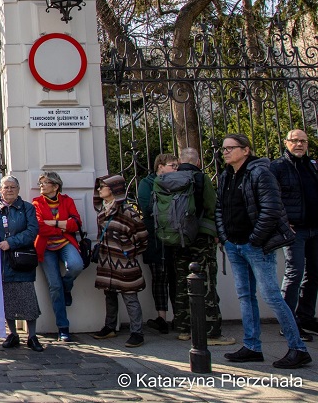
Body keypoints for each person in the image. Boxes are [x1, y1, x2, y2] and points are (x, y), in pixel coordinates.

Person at [216, 133, 311, 369]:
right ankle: (252, 346)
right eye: (223, 149)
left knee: (271, 296)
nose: (225, 152)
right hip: (234, 244)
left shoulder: (260, 173)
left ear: (245, 150)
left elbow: (271, 209)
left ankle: (298, 348)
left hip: (255, 245)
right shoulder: (226, 175)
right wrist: (225, 237)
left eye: (230, 148)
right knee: (245, 296)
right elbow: (219, 208)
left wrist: (255, 239)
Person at [174, 148, 234, 345]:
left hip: (177, 238)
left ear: (179, 161)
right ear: (198, 162)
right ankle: (211, 332)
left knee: (182, 282)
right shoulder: (201, 178)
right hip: (200, 236)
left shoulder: (169, 179)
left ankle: (184, 329)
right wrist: (216, 232)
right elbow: (211, 205)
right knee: (205, 282)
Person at [91, 175, 148, 347]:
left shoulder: (128, 212)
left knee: (130, 297)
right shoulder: (102, 213)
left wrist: (128, 252)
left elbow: (142, 236)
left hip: (124, 262)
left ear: (114, 189)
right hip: (107, 262)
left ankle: (137, 332)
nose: (99, 189)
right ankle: (110, 326)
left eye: (103, 186)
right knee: (109, 294)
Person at [271, 129, 318, 339]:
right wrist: (282, 222)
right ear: (286, 142)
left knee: (314, 273)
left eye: (303, 141)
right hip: (294, 230)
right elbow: (271, 197)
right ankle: (288, 323)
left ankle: (305, 317)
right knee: (295, 272)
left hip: (315, 228)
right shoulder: (278, 167)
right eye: (295, 140)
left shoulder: (312, 166)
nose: (299, 144)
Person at [33, 170, 84, 342]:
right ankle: (63, 327)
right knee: (54, 287)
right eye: (40, 183)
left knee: (76, 265)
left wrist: (53, 223)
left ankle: (66, 287)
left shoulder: (67, 201)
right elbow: (39, 227)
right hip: (46, 247)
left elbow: (76, 223)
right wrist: (62, 227)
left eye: (44, 183)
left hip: (65, 243)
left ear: (55, 186)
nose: (41, 186)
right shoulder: (37, 203)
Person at [0, 175, 43, 352]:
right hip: (1, 260)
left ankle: (32, 336)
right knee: (7, 300)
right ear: (0, 190)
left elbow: (32, 230)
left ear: (18, 189)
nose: (9, 190)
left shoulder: (27, 208)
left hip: (22, 258)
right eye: (6, 187)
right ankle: (13, 334)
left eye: (12, 187)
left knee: (27, 298)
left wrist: (11, 242)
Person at [136, 153, 178, 334]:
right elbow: (147, 208)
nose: (176, 169)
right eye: (172, 165)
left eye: (177, 166)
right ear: (160, 166)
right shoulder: (147, 183)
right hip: (155, 235)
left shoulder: (179, 182)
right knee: (159, 277)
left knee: (176, 276)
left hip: (175, 235)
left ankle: (179, 316)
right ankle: (162, 317)